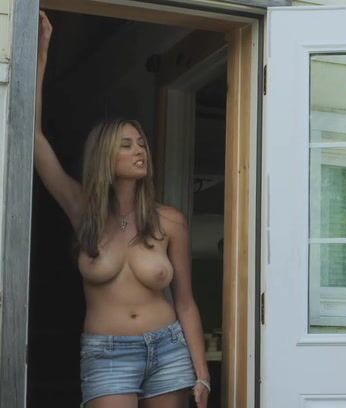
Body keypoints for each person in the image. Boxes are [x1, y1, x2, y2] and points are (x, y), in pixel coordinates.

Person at [36, 11, 210, 407]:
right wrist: (42, 55)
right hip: (107, 353)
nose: (140, 151)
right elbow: (33, 138)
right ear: (104, 156)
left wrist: (202, 372)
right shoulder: (82, 209)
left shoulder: (170, 221)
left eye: (142, 143)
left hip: (168, 349)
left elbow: (185, 301)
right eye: (127, 145)